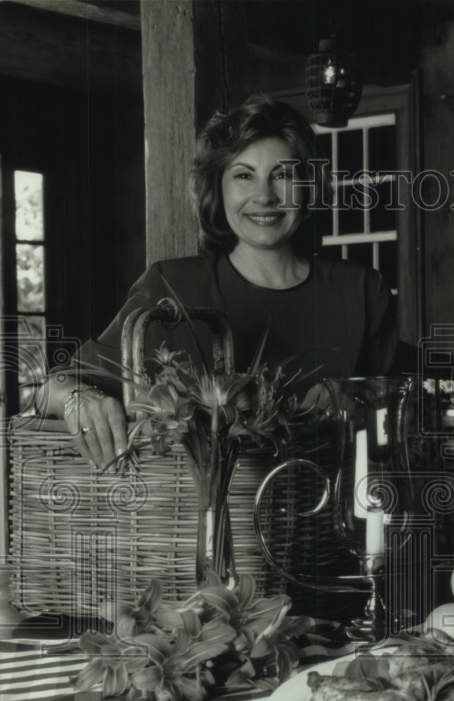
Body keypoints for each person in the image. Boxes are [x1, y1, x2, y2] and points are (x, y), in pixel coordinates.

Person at [35, 95, 398, 468]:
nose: (265, 196)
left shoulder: (362, 291)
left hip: (331, 518)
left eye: (283, 174)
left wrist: (354, 397)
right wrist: (77, 401)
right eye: (244, 175)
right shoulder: (170, 285)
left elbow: (406, 410)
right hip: (196, 520)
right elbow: (50, 389)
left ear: (308, 184)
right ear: (217, 189)